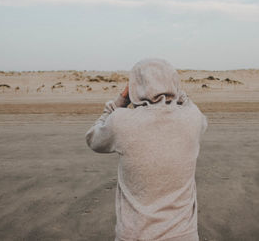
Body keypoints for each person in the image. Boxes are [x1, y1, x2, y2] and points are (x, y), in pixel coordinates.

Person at [85, 58, 207, 241]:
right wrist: (177, 92)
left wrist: (120, 100)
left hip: (134, 236)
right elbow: (189, 106)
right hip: (184, 234)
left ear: (134, 86)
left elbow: (93, 139)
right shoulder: (193, 118)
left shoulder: (121, 121)